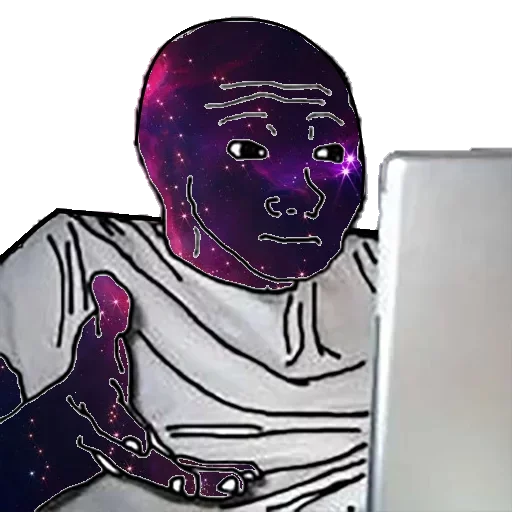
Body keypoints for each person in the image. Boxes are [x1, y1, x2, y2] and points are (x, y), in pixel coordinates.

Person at [0, 17, 377, 511]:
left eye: (329, 152)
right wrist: (47, 443)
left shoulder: (386, 274)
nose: (302, 190)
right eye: (250, 149)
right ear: (163, 158)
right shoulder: (75, 263)